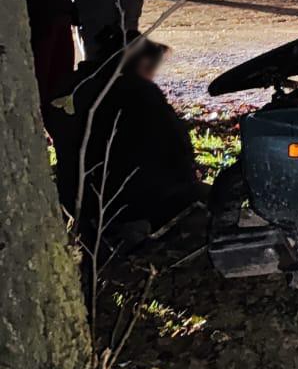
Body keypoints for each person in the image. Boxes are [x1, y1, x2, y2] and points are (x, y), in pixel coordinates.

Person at [46, 30, 202, 249]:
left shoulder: (72, 87)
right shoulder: (140, 93)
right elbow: (177, 149)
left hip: (76, 197)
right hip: (131, 201)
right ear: (142, 62)